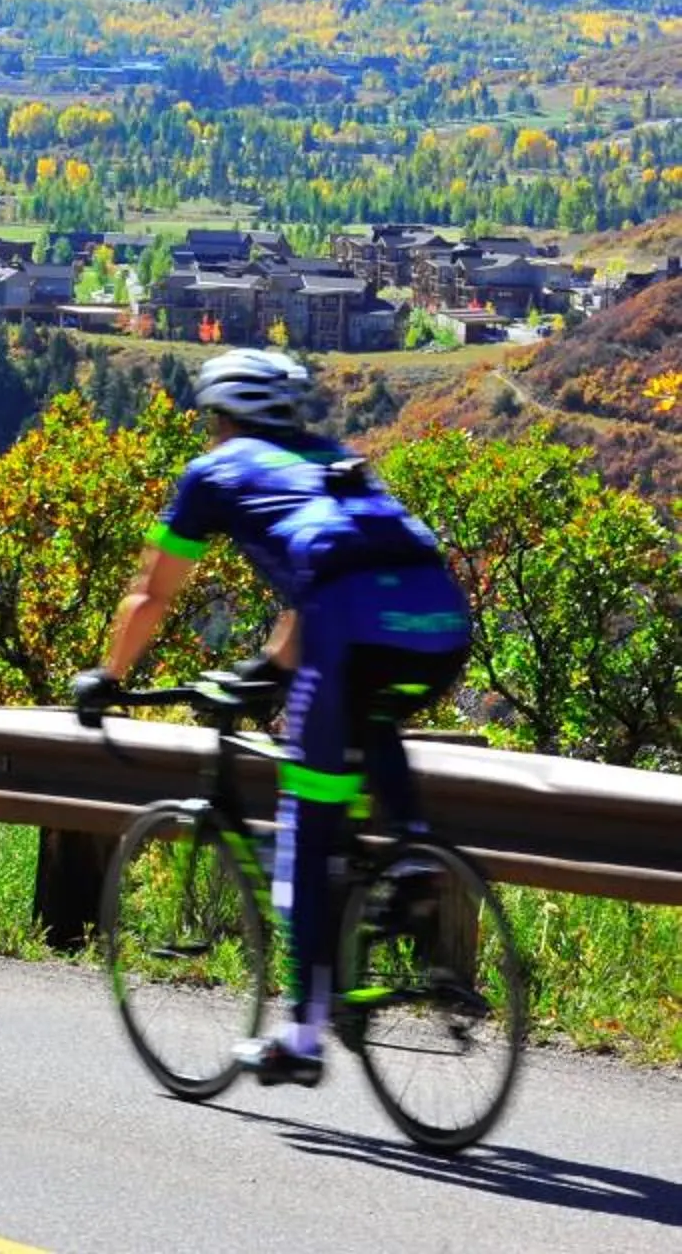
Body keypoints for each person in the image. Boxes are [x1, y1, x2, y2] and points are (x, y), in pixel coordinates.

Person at [71, 347, 471, 1087]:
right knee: (370, 715)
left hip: (349, 628)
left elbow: (152, 592)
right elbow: (319, 576)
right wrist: (268, 667)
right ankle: (413, 850)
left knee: (305, 835)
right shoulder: (329, 458)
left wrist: (109, 675)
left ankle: (301, 1037)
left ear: (221, 416)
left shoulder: (215, 473)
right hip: (441, 625)